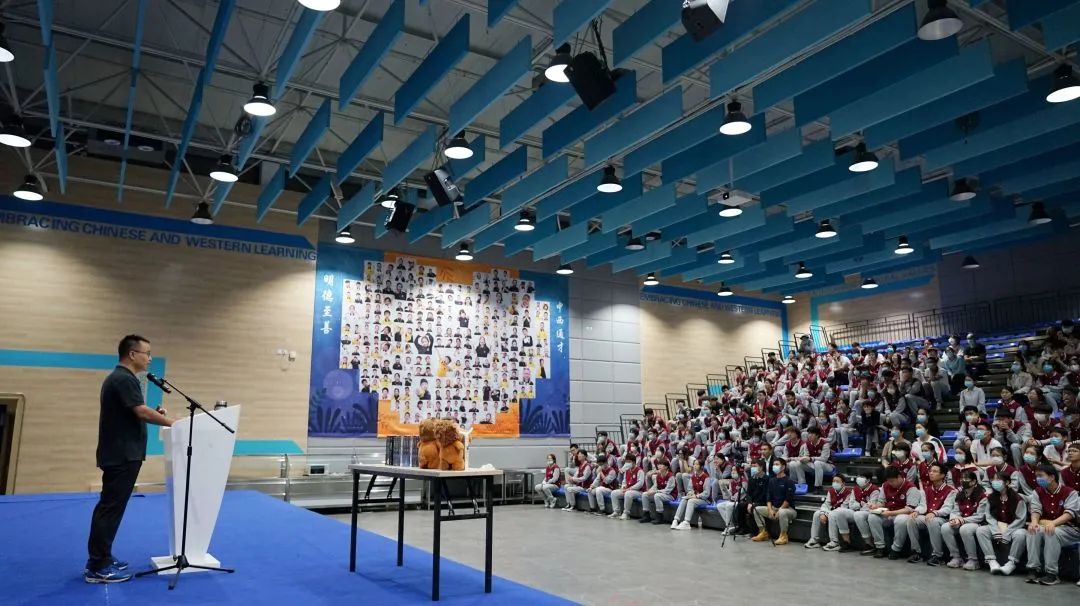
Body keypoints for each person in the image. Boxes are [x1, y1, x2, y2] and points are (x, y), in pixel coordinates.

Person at [86, 335, 174, 584]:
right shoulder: (123, 378)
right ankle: (97, 566)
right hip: (121, 455)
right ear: (133, 354)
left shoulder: (123, 378)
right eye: (147, 353)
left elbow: (132, 413)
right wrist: (173, 422)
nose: (150, 358)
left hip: (123, 454)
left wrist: (155, 414)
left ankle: (103, 557)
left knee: (112, 508)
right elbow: (140, 411)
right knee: (110, 509)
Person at [1024, 464, 1080, 585]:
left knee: (1051, 531)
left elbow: (1069, 514)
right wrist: (1034, 522)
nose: (1038, 479)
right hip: (1048, 525)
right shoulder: (1037, 491)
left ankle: (1052, 574)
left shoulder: (1070, 492)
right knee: (1033, 529)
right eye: (1036, 476)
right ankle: (1033, 569)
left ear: (1052, 477)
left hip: (1070, 530)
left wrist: (1053, 523)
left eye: (1041, 476)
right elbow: (1036, 510)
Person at [980, 471, 1029, 576]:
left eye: (998, 480)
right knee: (981, 530)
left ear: (1007, 482)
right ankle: (992, 561)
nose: (994, 482)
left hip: (1013, 527)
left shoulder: (1017, 499)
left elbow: (1020, 519)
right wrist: (996, 530)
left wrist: (1007, 532)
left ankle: (1011, 563)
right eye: (993, 479)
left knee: (1021, 534)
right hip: (997, 526)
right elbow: (989, 516)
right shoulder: (991, 498)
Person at [907, 462, 957, 565]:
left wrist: (935, 513)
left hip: (943, 518)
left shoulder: (951, 491)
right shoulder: (926, 490)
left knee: (932, 520)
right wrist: (917, 511)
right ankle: (916, 552)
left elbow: (947, 508)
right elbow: (923, 505)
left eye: (935, 471)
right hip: (928, 516)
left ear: (942, 475)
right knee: (912, 519)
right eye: (930, 471)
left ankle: (937, 555)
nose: (931, 473)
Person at [867, 466, 921, 559]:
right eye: (888, 481)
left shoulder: (911, 487)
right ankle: (880, 546)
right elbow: (881, 501)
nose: (890, 483)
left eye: (892, 481)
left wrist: (890, 513)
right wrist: (876, 506)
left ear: (899, 477)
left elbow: (909, 509)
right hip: (888, 512)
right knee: (872, 517)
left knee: (901, 520)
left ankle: (896, 548)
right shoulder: (885, 485)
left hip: (903, 514)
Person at [940, 469, 987, 570]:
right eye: (961, 478)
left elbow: (980, 516)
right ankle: (956, 557)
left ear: (974, 481)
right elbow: (955, 510)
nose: (962, 481)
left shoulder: (982, 495)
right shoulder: (960, 494)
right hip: (961, 520)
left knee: (965, 529)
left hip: (976, 522)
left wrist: (962, 520)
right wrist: (954, 519)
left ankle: (973, 560)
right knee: (945, 527)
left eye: (966, 479)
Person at [752, 458, 796, 545]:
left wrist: (779, 510)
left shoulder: (789, 481)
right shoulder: (772, 480)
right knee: (756, 509)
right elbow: (769, 498)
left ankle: (783, 536)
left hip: (788, 509)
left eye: (777, 464)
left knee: (782, 512)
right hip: (774, 508)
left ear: (783, 467)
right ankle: (763, 532)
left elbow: (788, 499)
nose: (774, 466)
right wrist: (770, 510)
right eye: (774, 464)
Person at [805, 475, 852, 551]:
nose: (835, 483)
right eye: (833, 481)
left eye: (837, 481)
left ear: (843, 483)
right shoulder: (831, 491)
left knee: (832, 515)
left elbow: (843, 507)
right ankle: (814, 540)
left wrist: (826, 514)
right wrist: (823, 513)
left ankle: (835, 542)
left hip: (841, 513)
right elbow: (826, 504)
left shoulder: (848, 493)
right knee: (817, 514)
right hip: (831, 511)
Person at [671, 458, 710, 530]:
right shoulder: (693, 476)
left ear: (701, 466)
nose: (694, 466)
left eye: (697, 464)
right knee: (684, 499)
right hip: (694, 497)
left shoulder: (706, 477)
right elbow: (689, 488)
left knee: (691, 501)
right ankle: (676, 520)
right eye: (694, 464)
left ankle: (687, 522)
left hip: (704, 499)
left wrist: (697, 496)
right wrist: (690, 493)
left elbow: (706, 493)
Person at [639, 460, 678, 525]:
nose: (659, 466)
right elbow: (655, 486)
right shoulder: (658, 475)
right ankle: (646, 514)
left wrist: (656, 491)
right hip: (660, 494)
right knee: (645, 494)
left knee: (657, 495)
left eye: (661, 465)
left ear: (666, 467)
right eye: (658, 464)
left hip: (670, 495)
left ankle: (660, 516)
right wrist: (650, 490)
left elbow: (667, 490)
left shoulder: (671, 476)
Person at [609, 455, 645, 520]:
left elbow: (640, 484)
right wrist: (623, 487)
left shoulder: (640, 471)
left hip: (639, 491)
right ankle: (616, 512)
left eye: (629, 461)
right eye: (626, 462)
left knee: (628, 493)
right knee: (614, 493)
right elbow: (624, 481)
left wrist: (629, 489)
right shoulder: (627, 471)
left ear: (634, 462)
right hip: (628, 490)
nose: (627, 463)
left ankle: (626, 513)